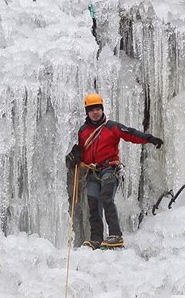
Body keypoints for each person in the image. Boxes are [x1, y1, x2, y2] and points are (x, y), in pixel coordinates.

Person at [66, 93, 164, 249]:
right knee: (93, 203)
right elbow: (82, 154)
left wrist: (150, 139)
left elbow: (131, 134)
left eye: (98, 109)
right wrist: (75, 156)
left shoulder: (112, 127)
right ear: (87, 112)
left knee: (106, 198)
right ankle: (96, 239)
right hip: (93, 171)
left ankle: (115, 235)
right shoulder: (83, 131)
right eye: (92, 110)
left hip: (109, 169)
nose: (95, 112)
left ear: (102, 109)